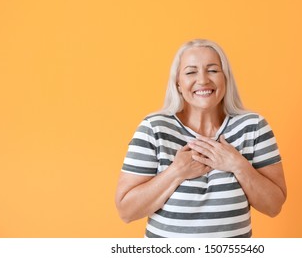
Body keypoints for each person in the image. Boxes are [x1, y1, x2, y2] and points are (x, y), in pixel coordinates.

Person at [115, 39, 287, 238]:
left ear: (226, 78)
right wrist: (176, 172)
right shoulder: (154, 128)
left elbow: (274, 206)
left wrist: (238, 165)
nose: (203, 80)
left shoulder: (253, 127)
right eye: (190, 72)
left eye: (213, 70)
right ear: (178, 83)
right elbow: (126, 211)